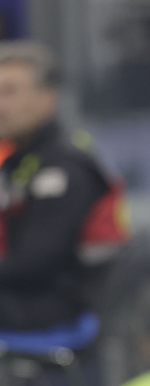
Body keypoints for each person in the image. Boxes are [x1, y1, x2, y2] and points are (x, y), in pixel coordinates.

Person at [0, 41, 126, 333]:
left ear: (47, 98)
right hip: (22, 299)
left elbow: (37, 261)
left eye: (10, 92)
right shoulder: (19, 162)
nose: (1, 105)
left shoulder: (63, 168)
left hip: (59, 309)